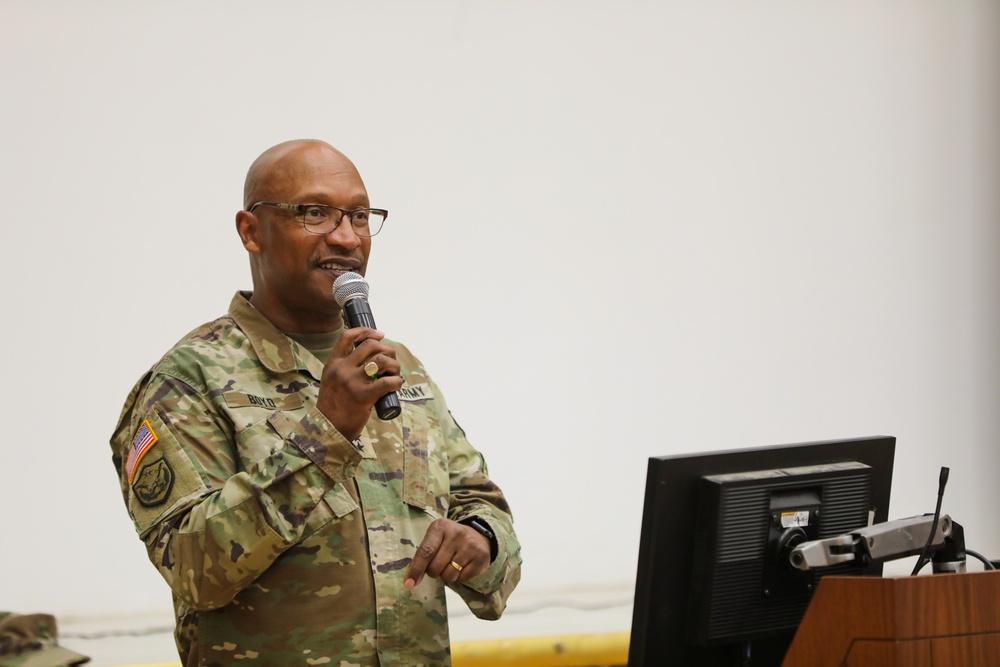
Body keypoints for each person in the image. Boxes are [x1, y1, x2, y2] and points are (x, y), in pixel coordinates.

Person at [110, 139, 522, 666]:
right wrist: (326, 433)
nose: (346, 237)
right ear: (250, 231)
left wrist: (481, 542)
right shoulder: (189, 380)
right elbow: (194, 567)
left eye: (358, 215)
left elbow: (484, 509)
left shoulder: (400, 367)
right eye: (314, 213)